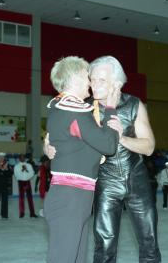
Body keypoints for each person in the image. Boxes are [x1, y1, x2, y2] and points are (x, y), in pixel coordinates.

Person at [45, 55, 161, 263]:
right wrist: (47, 146)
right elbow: (54, 133)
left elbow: (149, 147)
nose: (93, 84)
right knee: (104, 245)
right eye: (92, 78)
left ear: (116, 83)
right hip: (104, 182)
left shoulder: (134, 105)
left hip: (136, 179)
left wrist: (123, 138)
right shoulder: (83, 106)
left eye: (101, 80)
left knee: (148, 241)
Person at [43, 56, 120, 263]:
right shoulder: (75, 111)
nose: (90, 83)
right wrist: (111, 108)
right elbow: (109, 146)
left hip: (74, 197)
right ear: (76, 78)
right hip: (71, 198)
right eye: (88, 77)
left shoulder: (60, 107)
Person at [14, 154, 38, 218]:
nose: (22, 158)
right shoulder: (16, 166)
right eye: (21, 157)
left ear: (25, 158)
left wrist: (27, 171)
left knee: (30, 198)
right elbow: (16, 175)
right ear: (19, 159)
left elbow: (32, 173)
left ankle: (32, 213)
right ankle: (22, 213)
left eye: (23, 157)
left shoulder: (29, 165)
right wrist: (22, 170)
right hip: (21, 182)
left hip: (27, 182)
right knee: (21, 199)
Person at [0, 152, 13, 219]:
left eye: (2, 157)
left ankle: (4, 215)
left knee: (5, 200)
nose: (1, 158)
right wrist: (2, 170)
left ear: (4, 158)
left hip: (5, 185)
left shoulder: (8, 165)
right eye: (0, 157)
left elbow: (10, 174)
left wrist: (6, 169)